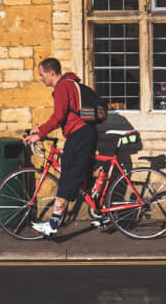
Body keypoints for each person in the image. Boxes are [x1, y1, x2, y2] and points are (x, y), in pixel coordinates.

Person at [26, 57, 100, 237]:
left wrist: (40, 134)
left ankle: (53, 225)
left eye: (42, 75)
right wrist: (40, 128)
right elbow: (64, 116)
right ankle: (99, 211)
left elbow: (58, 117)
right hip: (86, 132)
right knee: (80, 173)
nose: (41, 78)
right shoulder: (69, 84)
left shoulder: (62, 87)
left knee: (68, 176)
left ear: (51, 73)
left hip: (80, 134)